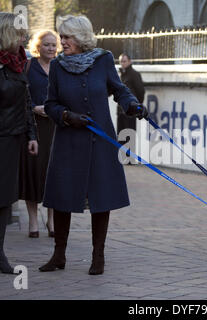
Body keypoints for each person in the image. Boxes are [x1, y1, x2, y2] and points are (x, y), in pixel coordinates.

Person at [39, 15, 148, 275]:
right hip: (68, 140)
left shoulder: (103, 60)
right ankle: (59, 255)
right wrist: (66, 116)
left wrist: (131, 104)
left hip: (100, 140)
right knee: (62, 197)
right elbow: (51, 104)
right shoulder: (57, 67)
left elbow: (118, 89)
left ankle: (98, 256)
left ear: (82, 38)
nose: (62, 42)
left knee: (101, 198)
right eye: (61, 37)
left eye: (67, 37)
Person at [0, 12, 38, 274]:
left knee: (4, 200)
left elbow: (26, 101)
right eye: (20, 32)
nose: (24, 37)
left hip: (11, 141)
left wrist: (31, 135)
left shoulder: (20, 63)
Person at [19, 30, 61, 238]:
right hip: (33, 126)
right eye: (47, 44)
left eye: (54, 45)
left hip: (55, 126)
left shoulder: (60, 67)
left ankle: (52, 220)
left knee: (52, 173)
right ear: (38, 46)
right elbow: (21, 95)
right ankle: (33, 221)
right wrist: (34, 108)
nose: (51, 48)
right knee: (33, 172)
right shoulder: (28, 66)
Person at [117, 53, 145, 162]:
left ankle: (130, 159)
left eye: (124, 61)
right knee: (121, 134)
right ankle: (121, 157)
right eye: (121, 61)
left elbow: (140, 91)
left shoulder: (134, 74)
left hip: (130, 110)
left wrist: (137, 107)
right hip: (120, 110)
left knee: (129, 133)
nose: (122, 63)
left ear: (130, 61)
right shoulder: (121, 75)